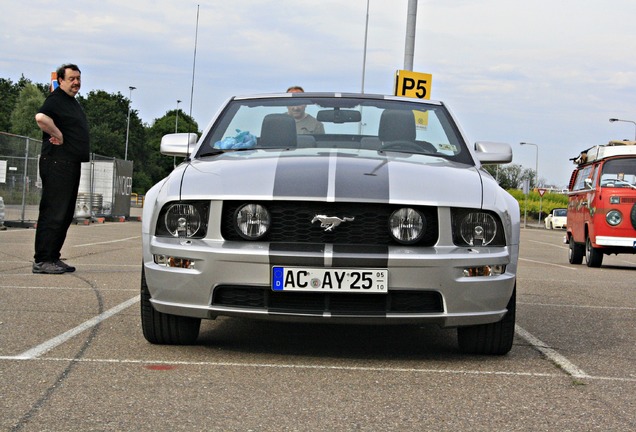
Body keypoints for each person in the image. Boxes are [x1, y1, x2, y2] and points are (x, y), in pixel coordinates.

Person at [32, 63, 90, 274]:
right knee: (53, 212)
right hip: (57, 163)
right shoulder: (55, 99)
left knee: (64, 214)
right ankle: (42, 260)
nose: (76, 82)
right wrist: (58, 134)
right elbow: (41, 118)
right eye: (72, 78)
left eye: (78, 78)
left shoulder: (70, 101)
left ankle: (53, 257)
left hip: (69, 163)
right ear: (61, 80)